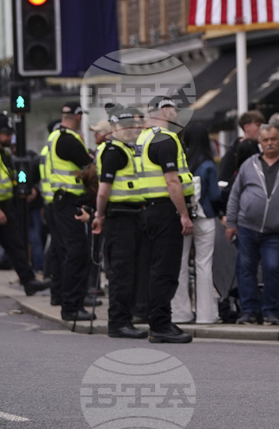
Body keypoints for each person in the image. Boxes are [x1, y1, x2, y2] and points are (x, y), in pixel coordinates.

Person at [135, 96, 195, 343]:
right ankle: (160, 325)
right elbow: (172, 181)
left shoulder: (144, 137)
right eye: (173, 109)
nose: (177, 114)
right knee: (166, 271)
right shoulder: (165, 139)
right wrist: (184, 215)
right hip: (166, 211)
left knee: (157, 268)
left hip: (151, 210)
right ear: (165, 111)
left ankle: (162, 321)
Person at [227, 124, 279, 325]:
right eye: (265, 140)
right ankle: (249, 312)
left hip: (276, 230)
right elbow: (235, 194)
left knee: (274, 268)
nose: (270, 143)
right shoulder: (249, 164)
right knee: (245, 269)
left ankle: (271, 312)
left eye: (273, 139)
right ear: (260, 143)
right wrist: (231, 222)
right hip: (247, 227)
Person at [91, 107, 146, 338]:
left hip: (131, 215)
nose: (129, 131)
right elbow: (103, 191)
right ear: (113, 128)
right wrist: (100, 215)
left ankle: (125, 320)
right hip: (119, 217)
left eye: (131, 126)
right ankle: (118, 323)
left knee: (129, 271)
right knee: (121, 272)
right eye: (123, 127)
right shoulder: (114, 151)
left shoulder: (126, 149)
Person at [46, 102, 96, 321]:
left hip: (60, 200)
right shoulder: (69, 140)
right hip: (69, 202)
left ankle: (68, 303)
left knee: (67, 253)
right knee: (77, 253)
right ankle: (72, 307)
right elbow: (90, 167)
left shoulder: (54, 136)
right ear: (78, 117)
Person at [171, 122, 221, 325]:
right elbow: (215, 195)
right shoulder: (209, 165)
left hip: (183, 217)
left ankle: (180, 313)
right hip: (205, 216)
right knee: (204, 264)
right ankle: (206, 314)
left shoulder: (181, 162)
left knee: (180, 264)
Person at [0, 114, 49, 296]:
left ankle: (28, 282)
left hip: (6, 206)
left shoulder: (4, 155)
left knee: (16, 246)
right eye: (6, 134)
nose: (10, 137)